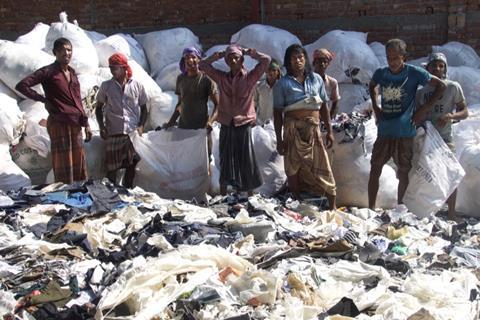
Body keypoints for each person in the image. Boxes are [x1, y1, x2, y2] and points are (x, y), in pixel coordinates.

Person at [368, 38, 446, 209]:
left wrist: (423, 109)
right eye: (389, 58)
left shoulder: (414, 73)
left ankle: (400, 208)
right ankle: (371, 209)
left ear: (404, 57)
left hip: (405, 131)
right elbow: (372, 85)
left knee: (403, 172)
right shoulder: (381, 73)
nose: (392, 62)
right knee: (375, 168)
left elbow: (441, 86)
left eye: (396, 58)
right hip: (385, 130)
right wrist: (376, 106)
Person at [16, 37, 92, 184]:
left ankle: (79, 193)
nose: (67, 53)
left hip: (75, 123)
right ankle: (65, 193)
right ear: (55, 52)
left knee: (78, 160)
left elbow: (78, 101)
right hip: (59, 122)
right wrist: (43, 99)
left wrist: (86, 124)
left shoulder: (73, 74)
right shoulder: (49, 72)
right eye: (63, 50)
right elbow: (22, 85)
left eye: (69, 50)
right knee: (63, 163)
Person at [199, 45, 271, 195]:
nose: (233, 60)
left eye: (236, 57)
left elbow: (266, 61)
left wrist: (250, 52)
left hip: (243, 123)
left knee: (246, 158)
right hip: (226, 122)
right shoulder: (222, 78)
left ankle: (249, 194)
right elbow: (203, 65)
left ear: (241, 60)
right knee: (226, 158)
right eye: (230, 58)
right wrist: (217, 55)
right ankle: (224, 195)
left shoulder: (250, 78)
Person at [273, 44, 337, 209]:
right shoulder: (282, 84)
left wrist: (329, 131)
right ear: (288, 62)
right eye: (293, 58)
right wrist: (279, 139)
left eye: (301, 57)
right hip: (292, 129)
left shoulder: (316, 79)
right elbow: (277, 113)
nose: (298, 61)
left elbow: (323, 107)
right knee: (293, 166)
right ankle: (296, 200)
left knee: (322, 164)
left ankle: (333, 205)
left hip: (313, 130)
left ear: (306, 59)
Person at [416, 52, 468, 221]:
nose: (437, 68)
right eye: (434, 65)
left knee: (451, 175)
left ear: (445, 68)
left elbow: (465, 111)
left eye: (441, 65)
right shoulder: (421, 92)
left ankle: (451, 213)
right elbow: (417, 116)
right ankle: (429, 211)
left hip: (446, 140)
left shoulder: (453, 87)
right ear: (428, 68)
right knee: (428, 177)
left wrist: (450, 117)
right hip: (428, 141)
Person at [95, 53, 148, 188]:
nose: (113, 71)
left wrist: (141, 126)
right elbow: (98, 108)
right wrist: (101, 126)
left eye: (116, 67)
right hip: (113, 131)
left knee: (132, 163)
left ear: (125, 68)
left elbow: (144, 109)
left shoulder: (137, 86)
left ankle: (127, 189)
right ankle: (111, 192)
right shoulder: (106, 86)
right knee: (112, 167)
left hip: (131, 133)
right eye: (111, 68)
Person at [164, 47, 219, 158]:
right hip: (184, 128)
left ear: (199, 59)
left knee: (204, 160)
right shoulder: (180, 79)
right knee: (184, 161)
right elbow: (180, 104)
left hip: (201, 129)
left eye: (193, 57)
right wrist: (171, 122)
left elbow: (218, 105)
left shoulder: (207, 79)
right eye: (187, 58)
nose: (190, 60)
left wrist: (210, 122)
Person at [312, 48, 341, 118]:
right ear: (314, 63)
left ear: (328, 64)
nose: (322, 64)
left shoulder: (332, 82)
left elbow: (335, 102)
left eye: (325, 62)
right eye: (319, 61)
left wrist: (329, 118)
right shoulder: (307, 80)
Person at [254, 59, 281, 125]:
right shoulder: (259, 86)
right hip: (259, 123)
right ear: (265, 71)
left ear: (278, 72)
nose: (271, 73)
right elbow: (254, 103)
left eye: (274, 70)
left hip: (275, 125)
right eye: (269, 70)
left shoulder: (282, 88)